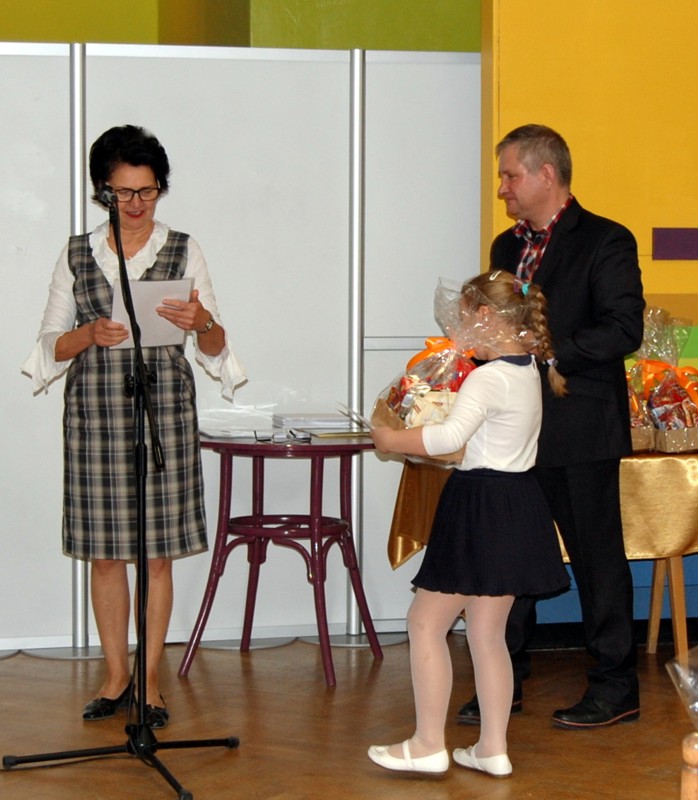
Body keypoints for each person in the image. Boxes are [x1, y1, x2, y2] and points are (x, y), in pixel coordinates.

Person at [21, 124, 246, 729]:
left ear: (160, 188)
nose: (137, 203)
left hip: (163, 412)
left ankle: (150, 681)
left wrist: (201, 322)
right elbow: (48, 346)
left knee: (158, 557)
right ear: (103, 191)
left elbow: (218, 349)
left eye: (147, 190)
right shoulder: (77, 253)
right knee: (104, 555)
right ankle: (115, 674)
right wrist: (89, 333)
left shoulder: (183, 249)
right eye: (123, 192)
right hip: (96, 415)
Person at [456, 124, 645, 730]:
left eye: (510, 175)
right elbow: (494, 328)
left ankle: (615, 686)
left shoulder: (606, 239)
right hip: (513, 431)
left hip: (580, 428)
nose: (502, 188)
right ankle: (502, 681)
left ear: (546, 174)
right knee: (507, 555)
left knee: (596, 559)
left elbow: (623, 328)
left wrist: (546, 354)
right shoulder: (505, 247)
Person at [367, 270, 570, 777]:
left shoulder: (488, 377)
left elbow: (447, 439)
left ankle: (427, 744)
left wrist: (390, 440)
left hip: (480, 504)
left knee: (424, 623)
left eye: (461, 318)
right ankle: (492, 748)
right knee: (487, 634)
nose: (457, 329)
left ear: (484, 316)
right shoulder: (528, 369)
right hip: (517, 501)